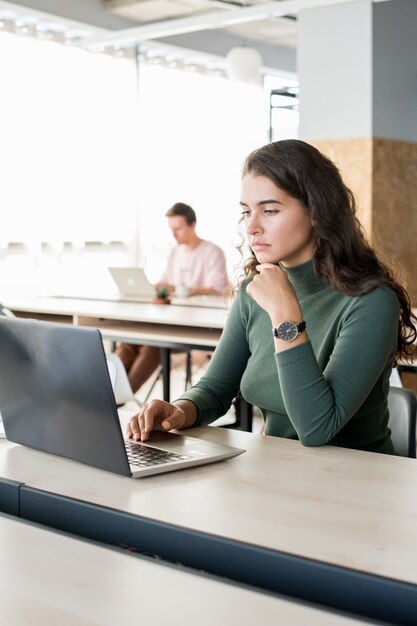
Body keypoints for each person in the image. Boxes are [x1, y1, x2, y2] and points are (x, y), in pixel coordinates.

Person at [127, 139, 416, 455]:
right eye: (247, 212)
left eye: (270, 210)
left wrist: (285, 315)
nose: (252, 227)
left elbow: (318, 427)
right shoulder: (255, 291)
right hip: (276, 470)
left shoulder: (371, 302)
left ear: (318, 211)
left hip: (358, 484)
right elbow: (215, 389)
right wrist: (180, 410)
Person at [116, 202, 229, 393]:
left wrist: (180, 288)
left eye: (178, 228)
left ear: (193, 225)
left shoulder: (212, 251)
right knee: (130, 340)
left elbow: (218, 288)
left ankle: (120, 396)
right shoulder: (175, 252)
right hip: (168, 317)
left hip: (195, 325)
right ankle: (105, 390)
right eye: (171, 229)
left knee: (153, 344)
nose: (173, 234)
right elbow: (165, 281)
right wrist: (155, 286)